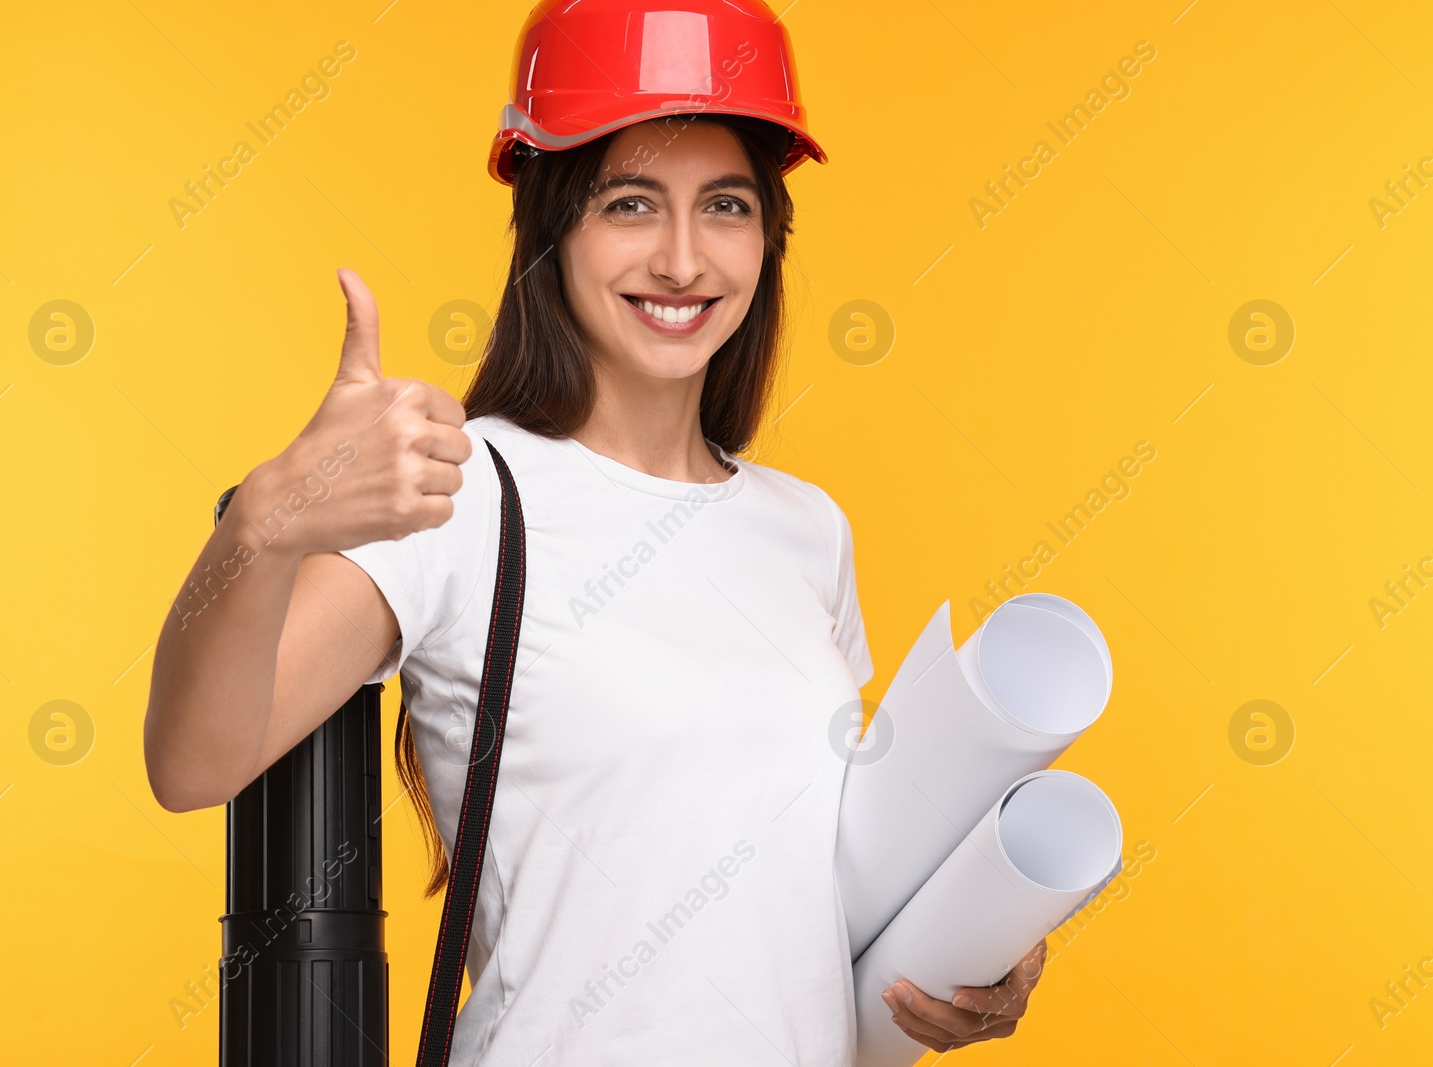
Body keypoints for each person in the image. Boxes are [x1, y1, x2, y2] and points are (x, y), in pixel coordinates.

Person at [142, 1, 1046, 1061]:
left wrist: (982, 948)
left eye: (724, 205)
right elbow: (192, 760)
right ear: (554, 226)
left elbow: (809, 889)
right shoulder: (464, 491)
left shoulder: (806, 529)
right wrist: (265, 522)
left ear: (768, 235)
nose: (680, 259)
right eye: (629, 203)